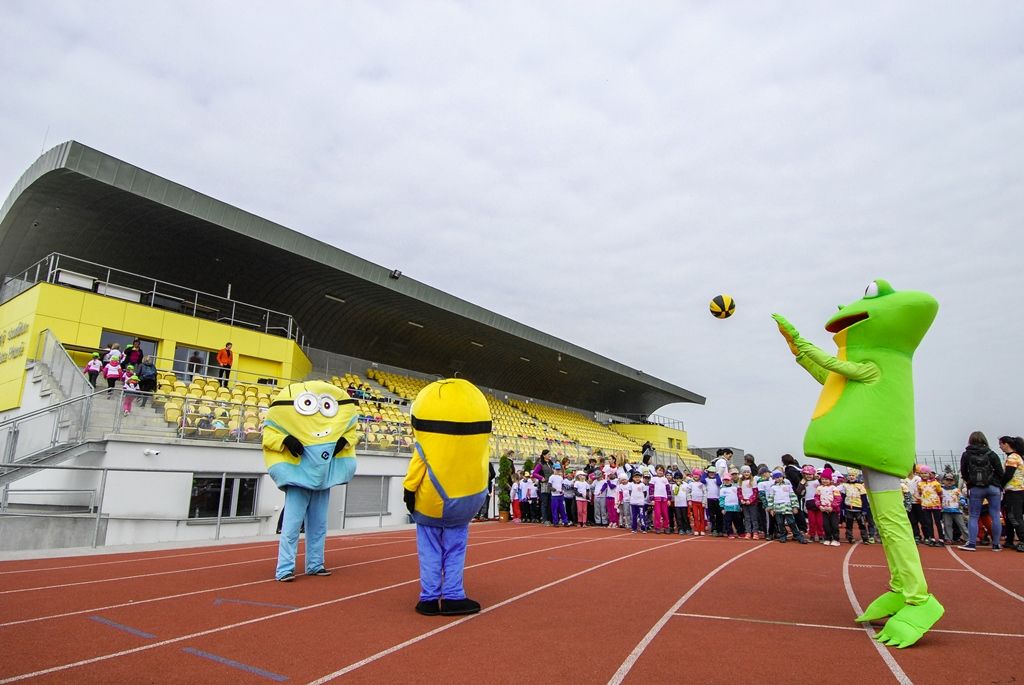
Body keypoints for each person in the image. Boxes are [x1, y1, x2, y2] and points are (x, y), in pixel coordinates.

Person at [402, 378, 490, 616]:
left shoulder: (426, 443)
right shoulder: (480, 443)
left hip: (430, 502)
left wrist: (408, 493)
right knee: (456, 549)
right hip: (464, 503)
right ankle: (452, 595)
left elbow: (415, 472)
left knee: (429, 550)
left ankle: (429, 598)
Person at [264, 381, 359, 583]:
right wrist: (286, 441)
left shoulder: (335, 427)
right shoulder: (284, 421)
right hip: (298, 480)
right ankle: (284, 568)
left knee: (319, 525)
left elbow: (352, 433)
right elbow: (269, 435)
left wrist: (344, 442)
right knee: (291, 526)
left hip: (322, 480)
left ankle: (315, 564)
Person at [959, 431, 1005, 551]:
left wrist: (969, 481)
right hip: (993, 487)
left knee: (973, 515)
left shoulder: (966, 454)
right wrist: (997, 483)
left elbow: (963, 471)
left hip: (975, 487)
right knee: (995, 515)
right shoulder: (991, 453)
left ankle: (972, 543)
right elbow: (1000, 471)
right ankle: (996, 544)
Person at [997, 436, 1024, 552]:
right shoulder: (1018, 457)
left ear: (1006, 444)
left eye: (1001, 444)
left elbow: (1008, 475)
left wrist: (1000, 485)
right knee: (1008, 516)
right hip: (1016, 490)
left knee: (1015, 516)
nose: (1000, 446)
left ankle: (1023, 540)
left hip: (1015, 491)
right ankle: (1009, 539)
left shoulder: (1013, 457)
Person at [768, 470, 807, 544]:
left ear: (783, 477)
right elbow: (770, 498)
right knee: (780, 523)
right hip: (778, 508)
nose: (779, 479)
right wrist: (771, 508)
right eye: (776, 478)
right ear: (774, 479)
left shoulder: (788, 486)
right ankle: (783, 535)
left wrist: (795, 506)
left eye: (780, 477)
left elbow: (793, 496)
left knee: (791, 522)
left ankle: (798, 535)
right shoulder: (773, 488)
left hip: (787, 508)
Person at [917, 466, 944, 546]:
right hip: (925, 506)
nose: (924, 475)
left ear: (929, 474)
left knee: (937, 522)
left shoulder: (936, 483)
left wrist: (939, 503)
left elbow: (940, 493)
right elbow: (920, 493)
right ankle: (931, 538)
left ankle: (941, 539)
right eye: (921, 473)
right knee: (928, 523)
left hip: (936, 505)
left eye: (925, 473)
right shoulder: (920, 484)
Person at [816, 468, 842, 546]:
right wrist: (819, 506)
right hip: (824, 510)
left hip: (833, 510)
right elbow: (816, 498)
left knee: (834, 525)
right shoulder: (819, 488)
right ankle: (827, 538)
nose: (824, 481)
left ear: (830, 480)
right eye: (823, 479)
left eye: (826, 479)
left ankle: (836, 539)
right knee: (825, 525)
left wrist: (832, 507)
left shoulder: (834, 488)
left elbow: (838, 499)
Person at [940, 473, 968, 545]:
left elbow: (962, 497)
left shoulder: (956, 490)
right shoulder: (941, 490)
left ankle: (967, 538)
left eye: (951, 480)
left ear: (953, 481)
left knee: (961, 525)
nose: (949, 482)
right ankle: (948, 538)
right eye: (947, 480)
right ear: (943, 481)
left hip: (956, 510)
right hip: (946, 510)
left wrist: (963, 502)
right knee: (947, 525)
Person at [532, 450, 554, 526]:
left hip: (551, 484)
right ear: (544, 455)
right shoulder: (540, 464)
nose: (550, 455)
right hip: (544, 485)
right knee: (545, 502)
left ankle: (550, 519)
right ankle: (544, 519)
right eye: (548, 454)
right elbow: (534, 473)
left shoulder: (551, 463)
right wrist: (541, 478)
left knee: (550, 502)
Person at [738, 467, 760, 540]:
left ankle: (755, 532)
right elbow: (739, 492)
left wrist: (750, 500)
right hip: (744, 502)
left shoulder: (753, 481)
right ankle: (748, 532)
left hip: (752, 503)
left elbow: (755, 492)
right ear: (742, 473)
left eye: (748, 472)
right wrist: (741, 499)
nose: (746, 473)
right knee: (747, 518)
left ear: (750, 473)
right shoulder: (740, 481)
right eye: (745, 472)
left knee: (754, 517)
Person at [649, 465, 671, 534]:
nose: (660, 472)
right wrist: (652, 499)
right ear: (656, 471)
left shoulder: (665, 479)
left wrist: (669, 499)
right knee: (657, 514)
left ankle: (666, 527)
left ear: (663, 472)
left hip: (664, 499)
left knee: (665, 514)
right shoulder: (653, 479)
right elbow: (651, 489)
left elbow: (668, 490)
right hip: (656, 499)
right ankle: (657, 527)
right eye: (659, 470)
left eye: (661, 470)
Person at [719, 473, 741, 538]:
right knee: (728, 522)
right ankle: (730, 533)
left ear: (731, 480)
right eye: (725, 480)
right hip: (727, 508)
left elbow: (738, 497)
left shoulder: (735, 488)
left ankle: (739, 532)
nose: (726, 481)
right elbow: (721, 499)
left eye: (728, 480)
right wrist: (722, 508)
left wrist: (739, 506)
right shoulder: (722, 489)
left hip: (735, 507)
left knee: (737, 521)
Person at [688, 469, 707, 536]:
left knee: (701, 516)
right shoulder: (690, 484)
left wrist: (704, 502)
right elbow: (688, 492)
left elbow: (705, 493)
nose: (696, 476)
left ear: (700, 476)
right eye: (694, 474)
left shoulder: (702, 484)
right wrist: (689, 500)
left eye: (697, 474)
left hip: (701, 502)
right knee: (695, 516)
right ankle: (696, 529)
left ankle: (702, 529)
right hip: (694, 502)